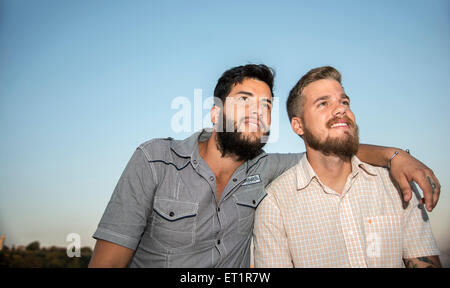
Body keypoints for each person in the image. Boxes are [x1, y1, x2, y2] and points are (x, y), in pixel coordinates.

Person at [89, 64, 440, 268]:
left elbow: (329, 149)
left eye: (267, 105)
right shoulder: (154, 161)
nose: (259, 111)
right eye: (245, 100)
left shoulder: (269, 171)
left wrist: (396, 155)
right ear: (215, 114)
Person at [253, 66, 441, 268]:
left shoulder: (397, 183)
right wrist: (392, 154)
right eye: (323, 103)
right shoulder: (275, 204)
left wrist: (395, 155)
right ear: (298, 126)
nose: (341, 108)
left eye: (344, 102)